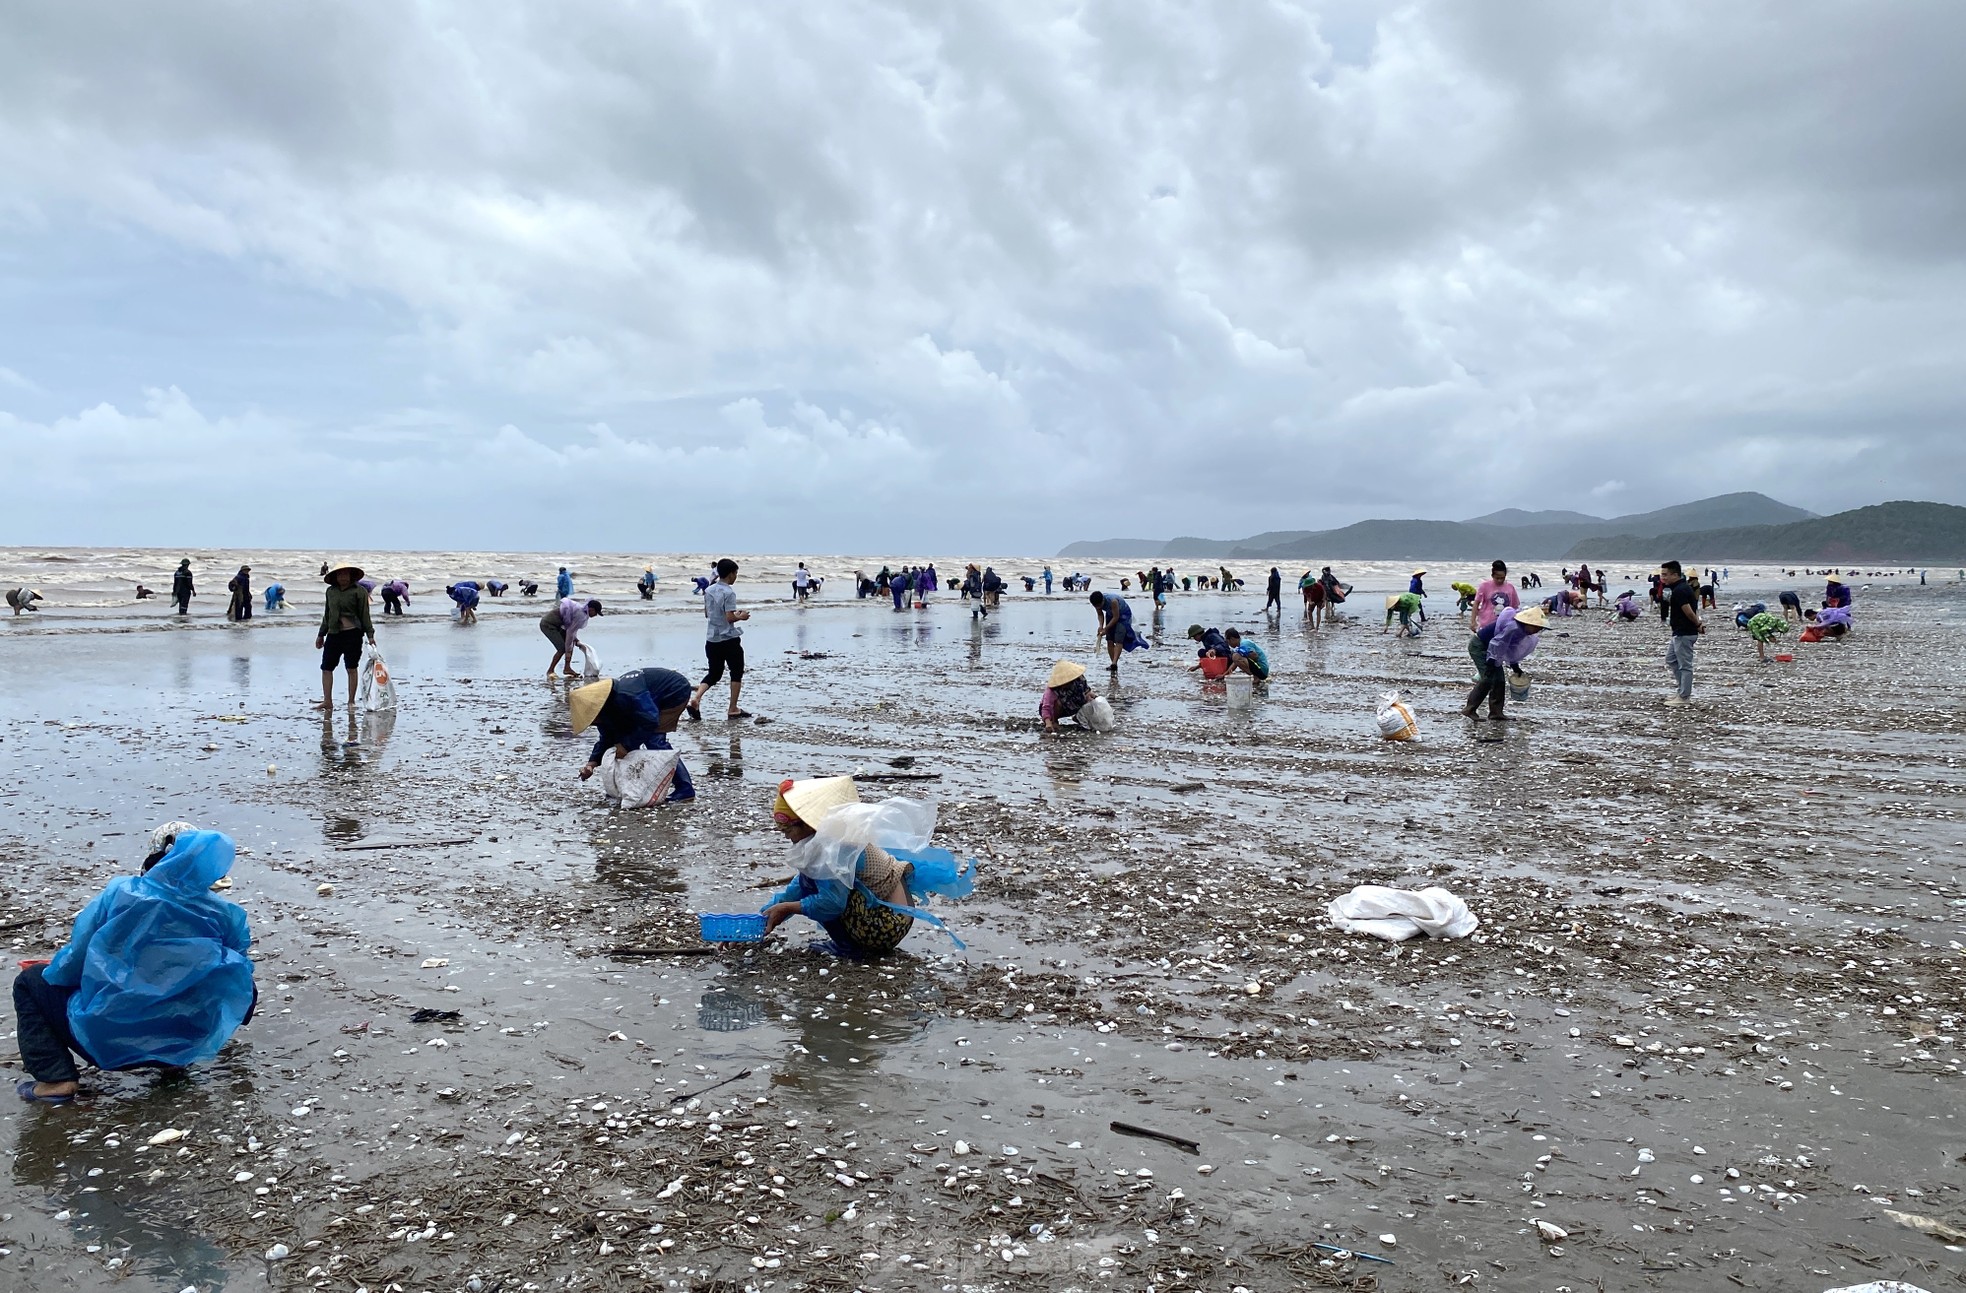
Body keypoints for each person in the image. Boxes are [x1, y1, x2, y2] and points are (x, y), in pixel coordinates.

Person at [13, 824, 255, 1104]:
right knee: (235, 974)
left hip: (105, 1042)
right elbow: (240, 982)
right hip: (184, 1041)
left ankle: (55, 1080)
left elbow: (73, 962)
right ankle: (175, 1062)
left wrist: (53, 972)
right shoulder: (225, 915)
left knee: (29, 981)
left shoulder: (120, 893)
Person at [757, 776, 974, 956]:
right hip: (892, 918)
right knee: (807, 881)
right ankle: (852, 944)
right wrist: (758, 922)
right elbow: (794, 891)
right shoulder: (828, 841)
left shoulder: (837, 849)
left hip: (887, 925)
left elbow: (832, 903)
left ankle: (850, 948)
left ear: (806, 823)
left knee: (814, 886)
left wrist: (787, 908)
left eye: (788, 831)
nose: (786, 837)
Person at [569, 667, 696, 802]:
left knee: (654, 740)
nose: (594, 723)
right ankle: (637, 786)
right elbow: (607, 738)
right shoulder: (606, 710)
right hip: (650, 699)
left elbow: (651, 720)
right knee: (626, 740)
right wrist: (591, 764)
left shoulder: (628, 695)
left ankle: (685, 789)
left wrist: (626, 746)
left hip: (674, 691)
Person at [1462, 604, 1548, 722]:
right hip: (1480, 646)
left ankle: (1496, 713)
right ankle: (1470, 709)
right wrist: (1491, 662)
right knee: (1488, 678)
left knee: (1500, 680)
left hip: (1492, 650)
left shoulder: (1522, 631)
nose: (1538, 630)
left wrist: (1515, 666)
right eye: (1537, 627)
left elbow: (1510, 647)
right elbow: (1498, 643)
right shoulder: (1514, 627)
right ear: (1529, 623)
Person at [688, 558, 750, 720]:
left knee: (714, 673)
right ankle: (733, 708)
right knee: (736, 672)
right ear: (730, 574)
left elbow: (707, 613)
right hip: (728, 638)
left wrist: (730, 615)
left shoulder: (709, 590)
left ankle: (696, 698)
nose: (736, 576)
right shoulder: (729, 592)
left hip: (712, 638)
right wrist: (741, 616)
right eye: (735, 573)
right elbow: (729, 618)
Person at [316, 561, 376, 712]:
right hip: (334, 634)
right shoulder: (331, 591)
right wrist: (321, 634)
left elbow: (365, 614)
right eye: (340, 574)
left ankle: (351, 701)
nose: (343, 577)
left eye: (346, 574)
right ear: (335, 577)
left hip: (353, 634)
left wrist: (370, 635)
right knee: (326, 668)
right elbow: (327, 614)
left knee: (351, 667)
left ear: (351, 576)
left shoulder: (359, 591)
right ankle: (327, 701)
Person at [1658, 559, 1704, 706]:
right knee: (1671, 659)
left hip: (1685, 632)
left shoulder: (1680, 590)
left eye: (1665, 575)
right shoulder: (1680, 588)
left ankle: (1684, 697)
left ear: (1675, 575)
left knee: (1685, 665)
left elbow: (1689, 611)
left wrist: (1697, 624)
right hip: (1678, 632)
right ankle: (1681, 691)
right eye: (1662, 575)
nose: (1663, 578)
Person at [540, 595, 603, 678]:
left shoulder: (583, 613)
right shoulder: (581, 615)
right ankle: (550, 670)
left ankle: (567, 668)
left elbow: (571, 628)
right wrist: (568, 649)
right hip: (548, 624)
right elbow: (570, 633)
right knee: (562, 648)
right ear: (591, 609)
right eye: (596, 613)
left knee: (570, 644)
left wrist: (575, 640)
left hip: (557, 625)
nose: (595, 615)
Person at [1090, 591, 1148, 672]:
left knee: (1118, 639)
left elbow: (1116, 617)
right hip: (1110, 614)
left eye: (1100, 606)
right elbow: (1100, 615)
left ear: (1103, 601)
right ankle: (1113, 664)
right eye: (1096, 606)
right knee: (1109, 639)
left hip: (1122, 615)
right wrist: (1100, 626)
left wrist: (1106, 629)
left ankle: (1114, 662)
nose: (1098, 607)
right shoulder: (1096, 603)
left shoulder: (1113, 601)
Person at [1040, 659, 1095, 736]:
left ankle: (1079, 718)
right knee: (1057, 703)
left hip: (1074, 703)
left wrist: (1093, 697)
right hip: (1057, 709)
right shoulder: (1052, 690)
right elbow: (1046, 707)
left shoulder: (1079, 680)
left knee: (1089, 699)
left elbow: (1087, 691)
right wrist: (1048, 723)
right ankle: (1054, 721)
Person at [1473, 560, 1518, 631]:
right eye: (1497, 578)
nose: (1500, 580)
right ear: (1492, 576)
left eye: (1502, 578)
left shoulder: (1510, 587)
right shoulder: (1484, 586)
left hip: (1505, 625)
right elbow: (1476, 604)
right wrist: (1473, 621)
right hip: (1487, 624)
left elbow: (1515, 607)